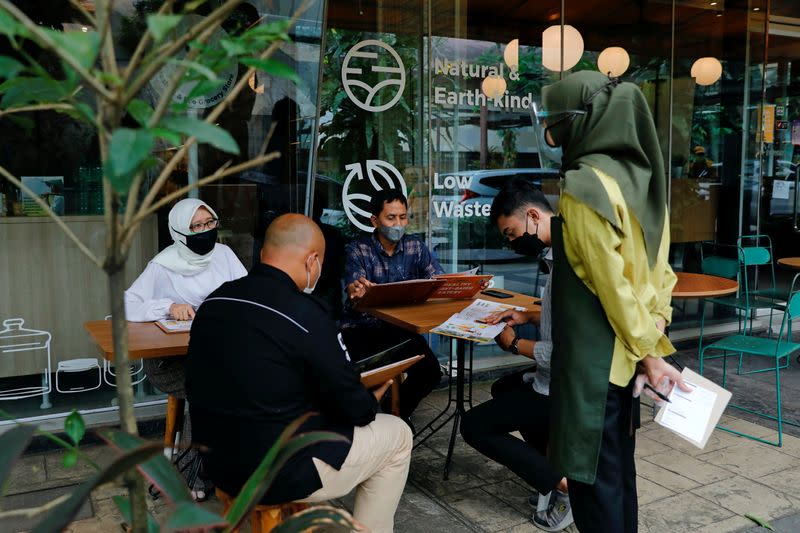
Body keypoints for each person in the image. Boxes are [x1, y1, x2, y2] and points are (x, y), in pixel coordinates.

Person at [186, 214, 412, 533]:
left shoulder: (215, 301)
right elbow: (356, 410)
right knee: (398, 434)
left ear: (265, 252)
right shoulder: (305, 313)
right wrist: (367, 399)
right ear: (312, 261)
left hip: (218, 464)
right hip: (279, 472)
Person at [538, 71, 689, 532]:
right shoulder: (644, 178)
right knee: (620, 478)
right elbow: (661, 272)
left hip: (593, 366)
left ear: (581, 121)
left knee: (594, 486)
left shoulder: (585, 186)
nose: (548, 129)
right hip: (627, 362)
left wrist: (649, 352)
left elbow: (612, 286)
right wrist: (655, 330)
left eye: (553, 118)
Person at [460, 180, 573, 531]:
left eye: (511, 233)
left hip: (562, 385)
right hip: (552, 381)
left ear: (535, 215)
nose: (511, 243)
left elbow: (563, 353)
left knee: (474, 425)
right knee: (504, 389)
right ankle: (550, 472)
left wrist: (513, 344)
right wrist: (527, 316)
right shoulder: (560, 252)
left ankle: (567, 486)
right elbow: (564, 317)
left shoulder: (568, 263)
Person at [124, 197, 247, 500]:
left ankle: (223, 467)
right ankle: (198, 474)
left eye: (209, 223)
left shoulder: (225, 255)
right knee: (208, 383)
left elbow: (246, 291)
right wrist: (168, 306)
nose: (205, 231)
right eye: (196, 226)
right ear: (179, 232)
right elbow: (127, 303)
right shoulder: (163, 265)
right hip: (171, 362)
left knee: (232, 378)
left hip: (216, 354)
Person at [340, 189, 444, 424]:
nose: (398, 224)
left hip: (399, 330)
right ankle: (369, 420)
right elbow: (354, 288)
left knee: (430, 372)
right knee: (366, 378)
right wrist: (357, 291)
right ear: (374, 221)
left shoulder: (414, 247)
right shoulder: (358, 249)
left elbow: (437, 280)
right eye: (391, 218)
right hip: (361, 328)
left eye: (403, 217)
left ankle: (395, 413)